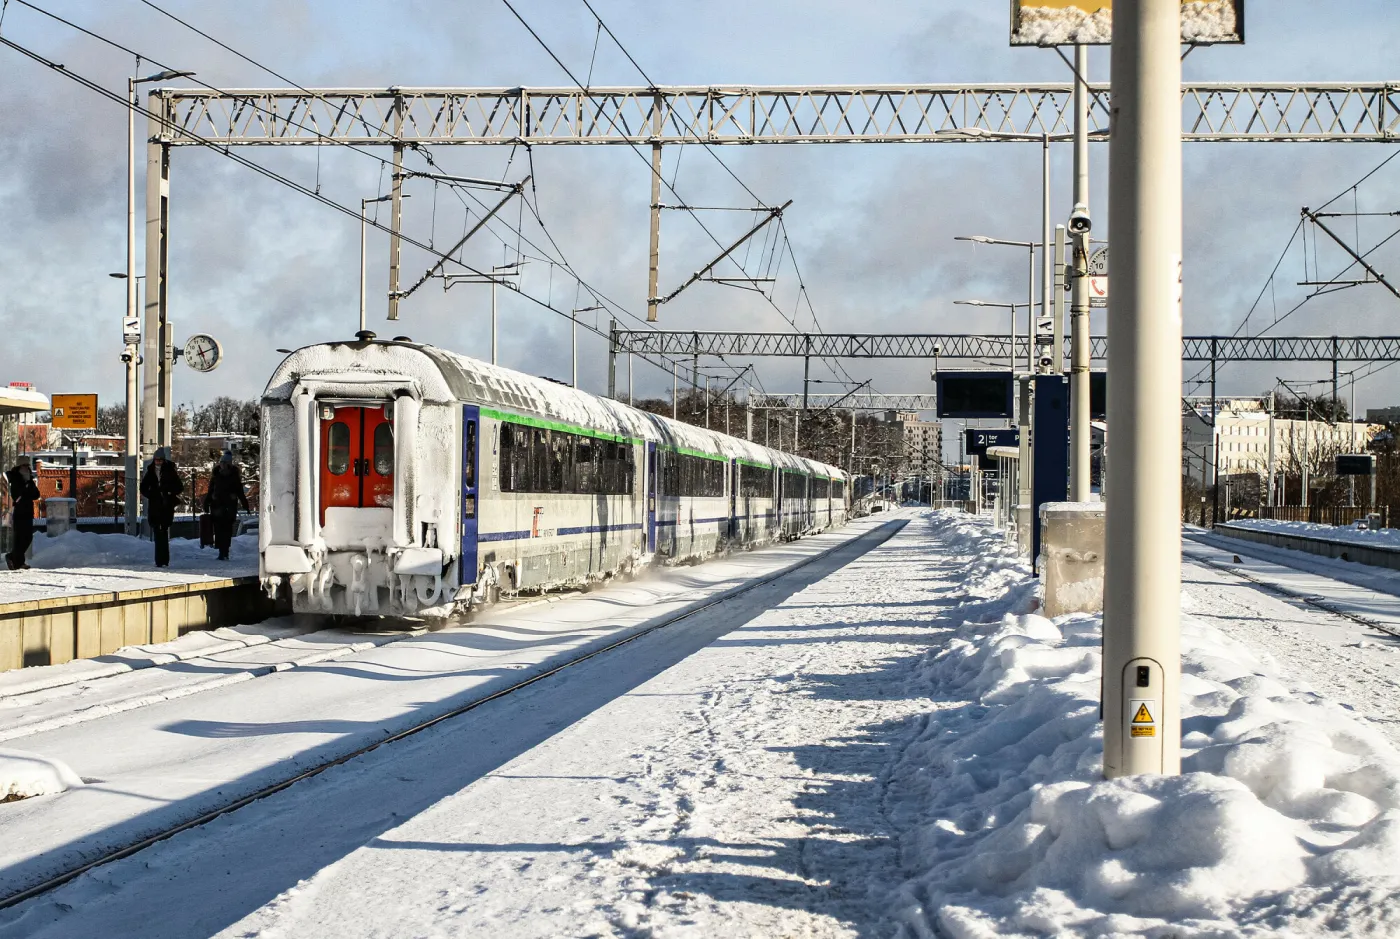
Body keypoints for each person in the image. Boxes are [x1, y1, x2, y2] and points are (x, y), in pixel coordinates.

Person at [140, 447, 184, 567]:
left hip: (166, 505)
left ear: (163, 460)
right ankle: (159, 560)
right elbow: (143, 487)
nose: (158, 462)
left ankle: (164, 559)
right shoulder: (150, 471)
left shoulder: (170, 471)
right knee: (157, 532)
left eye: (160, 460)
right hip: (155, 505)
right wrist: (151, 495)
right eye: (156, 460)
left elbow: (179, 487)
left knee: (163, 531)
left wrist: (169, 493)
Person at [204, 451, 250, 561]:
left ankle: (225, 551)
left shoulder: (234, 476)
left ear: (229, 464)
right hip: (217, 506)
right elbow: (210, 491)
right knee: (219, 530)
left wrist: (245, 506)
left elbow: (240, 492)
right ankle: (221, 551)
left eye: (225, 463)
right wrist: (207, 503)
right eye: (221, 462)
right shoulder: (216, 476)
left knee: (227, 530)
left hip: (229, 507)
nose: (223, 465)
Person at [5, 458, 39, 571]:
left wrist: (29, 484)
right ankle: (15, 560)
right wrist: (26, 488)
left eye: (27, 465)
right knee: (20, 537)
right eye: (23, 465)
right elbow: (18, 495)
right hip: (19, 511)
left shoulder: (29, 480)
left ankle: (16, 560)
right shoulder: (15, 478)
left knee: (27, 537)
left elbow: (36, 495)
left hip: (28, 511)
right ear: (19, 467)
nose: (26, 467)